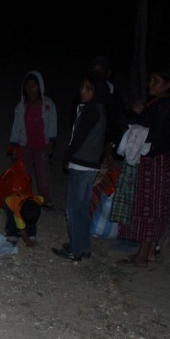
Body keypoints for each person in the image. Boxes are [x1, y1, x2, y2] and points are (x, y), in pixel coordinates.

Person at [116, 67, 170, 268]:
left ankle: (141, 257)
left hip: (154, 160)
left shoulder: (166, 106)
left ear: (168, 84)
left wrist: (141, 114)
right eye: (150, 80)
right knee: (156, 206)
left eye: (156, 80)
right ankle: (150, 252)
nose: (151, 84)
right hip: (160, 160)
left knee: (149, 207)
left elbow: (156, 134)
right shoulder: (164, 104)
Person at [52, 72, 108, 262]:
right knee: (82, 208)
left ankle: (75, 250)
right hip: (91, 166)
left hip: (81, 164)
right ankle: (82, 246)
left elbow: (79, 138)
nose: (83, 91)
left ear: (96, 91)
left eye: (88, 89)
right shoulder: (99, 109)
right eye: (82, 87)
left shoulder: (90, 110)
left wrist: (67, 156)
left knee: (73, 209)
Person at [8, 70, 58, 208]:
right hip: (26, 145)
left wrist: (51, 143)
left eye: (34, 85)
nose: (31, 88)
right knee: (24, 173)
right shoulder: (22, 106)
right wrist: (13, 145)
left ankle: (45, 199)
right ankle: (23, 198)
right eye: (28, 85)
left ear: (40, 86)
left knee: (42, 175)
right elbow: (16, 126)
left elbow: (53, 124)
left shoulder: (48, 105)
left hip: (42, 145)